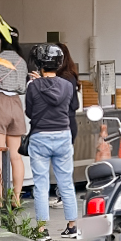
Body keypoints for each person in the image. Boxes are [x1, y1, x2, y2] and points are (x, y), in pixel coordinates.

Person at [25, 43, 79, 241]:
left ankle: (41, 230)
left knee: (40, 184)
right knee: (66, 182)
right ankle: (72, 227)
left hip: (40, 136)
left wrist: (36, 84)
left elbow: (29, 112)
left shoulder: (32, 86)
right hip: (63, 135)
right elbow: (65, 104)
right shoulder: (67, 85)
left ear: (40, 64)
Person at [0, 28, 28, 208]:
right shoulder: (22, 61)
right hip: (16, 104)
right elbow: (22, 88)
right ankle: (16, 198)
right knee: (16, 155)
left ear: (1, 39)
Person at [49, 44, 82, 208]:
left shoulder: (63, 78)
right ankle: (63, 195)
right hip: (70, 121)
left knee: (62, 163)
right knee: (63, 161)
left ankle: (65, 197)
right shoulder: (71, 76)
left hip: (64, 122)